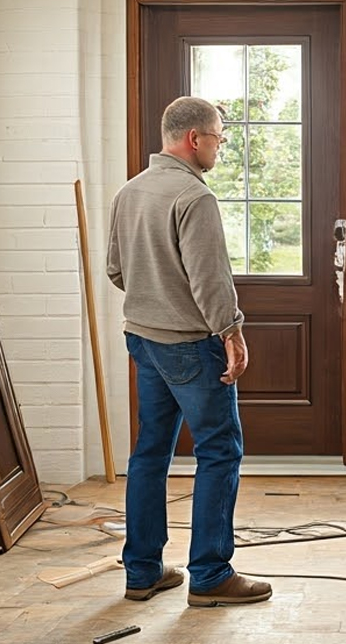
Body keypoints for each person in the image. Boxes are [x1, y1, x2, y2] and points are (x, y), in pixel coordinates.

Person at [107, 96, 272, 606]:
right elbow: (210, 280)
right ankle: (209, 574)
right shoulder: (193, 196)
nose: (220, 147)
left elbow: (116, 270)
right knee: (219, 451)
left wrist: (153, 299)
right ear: (194, 139)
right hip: (189, 346)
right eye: (219, 138)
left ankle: (142, 571)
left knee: (150, 453)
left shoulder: (130, 192)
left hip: (144, 339)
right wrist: (232, 332)